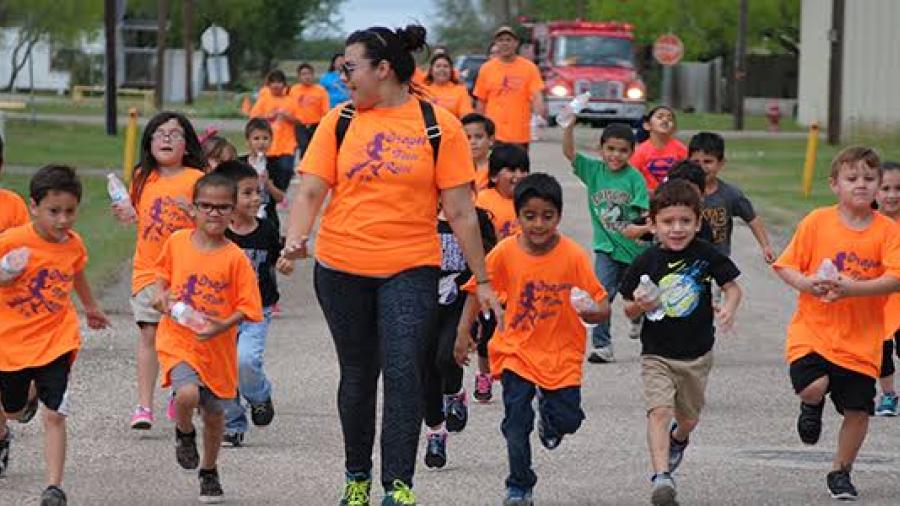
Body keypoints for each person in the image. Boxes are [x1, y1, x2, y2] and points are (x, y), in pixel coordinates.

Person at [281, 24, 500, 506]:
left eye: (349, 68)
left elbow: (461, 211)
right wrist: (295, 238)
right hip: (341, 267)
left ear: (383, 69)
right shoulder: (337, 122)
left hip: (410, 266)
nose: (343, 78)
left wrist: (482, 279)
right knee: (358, 373)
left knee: (404, 371)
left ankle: (397, 485)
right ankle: (356, 477)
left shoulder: (437, 125)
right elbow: (312, 189)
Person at [454, 173, 610, 506]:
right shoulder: (505, 252)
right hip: (517, 350)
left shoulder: (573, 256)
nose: (538, 224)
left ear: (559, 216)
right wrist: (462, 332)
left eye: (547, 216)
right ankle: (519, 485)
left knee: (569, 419)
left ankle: (551, 424)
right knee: (515, 421)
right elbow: (474, 290)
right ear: (518, 215)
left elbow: (602, 304)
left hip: (562, 352)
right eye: (530, 216)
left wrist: (592, 311)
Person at [772, 147, 900, 501]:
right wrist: (806, 284)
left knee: (859, 409)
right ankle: (810, 405)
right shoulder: (816, 221)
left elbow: (896, 277)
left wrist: (852, 289)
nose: (861, 185)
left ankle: (840, 471)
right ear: (834, 185)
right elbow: (786, 266)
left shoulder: (887, 231)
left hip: (861, 338)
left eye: (869, 179)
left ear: (878, 187)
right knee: (813, 385)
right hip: (813, 330)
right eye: (852, 178)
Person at [618, 179, 742, 506]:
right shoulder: (646, 263)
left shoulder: (706, 254)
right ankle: (661, 478)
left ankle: (679, 438)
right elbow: (627, 308)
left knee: (687, 418)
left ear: (697, 222)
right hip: (657, 353)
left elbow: (732, 287)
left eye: (685, 221)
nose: (676, 229)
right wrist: (639, 306)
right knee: (659, 410)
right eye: (668, 222)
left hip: (697, 355)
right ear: (653, 225)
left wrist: (728, 308)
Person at [0, 165, 110, 505]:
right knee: (12, 409)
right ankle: (27, 397)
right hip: (11, 343)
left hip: (57, 340)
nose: (63, 221)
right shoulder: (12, 241)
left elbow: (76, 273)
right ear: (34, 207)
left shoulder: (73, 244)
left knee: (55, 414)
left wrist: (91, 307)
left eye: (70, 212)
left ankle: (54, 487)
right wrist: (4, 275)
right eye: (54, 212)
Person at [152, 172, 263, 503]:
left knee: (215, 416)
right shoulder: (177, 243)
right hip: (178, 338)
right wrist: (161, 297)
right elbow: (162, 277)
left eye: (222, 207)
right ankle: (184, 433)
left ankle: (209, 470)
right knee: (186, 395)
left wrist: (221, 325)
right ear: (194, 209)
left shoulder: (235, 258)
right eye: (206, 206)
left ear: (233, 212)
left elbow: (249, 307)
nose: (214, 213)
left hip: (216, 348)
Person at [111, 112, 205, 430]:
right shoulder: (142, 177)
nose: (166, 138)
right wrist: (126, 212)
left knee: (181, 335)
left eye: (174, 134)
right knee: (148, 332)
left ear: (187, 145)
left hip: (186, 271)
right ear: (149, 142)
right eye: (159, 133)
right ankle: (143, 406)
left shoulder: (196, 178)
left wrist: (193, 212)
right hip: (148, 269)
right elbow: (138, 215)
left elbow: (212, 222)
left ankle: (179, 390)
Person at [213, 161, 293, 446]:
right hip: (220, 313)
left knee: (245, 360)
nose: (256, 198)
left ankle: (259, 396)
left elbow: (276, 257)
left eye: (257, 192)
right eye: (247, 193)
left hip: (257, 310)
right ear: (226, 198)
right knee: (223, 370)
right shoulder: (216, 234)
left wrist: (285, 262)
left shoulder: (267, 229)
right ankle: (233, 423)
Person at [563, 121, 649, 364]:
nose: (615, 155)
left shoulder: (634, 178)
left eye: (622, 151)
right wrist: (568, 127)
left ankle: (638, 318)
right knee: (602, 294)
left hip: (633, 250)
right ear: (601, 149)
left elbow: (643, 213)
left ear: (632, 152)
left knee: (635, 296)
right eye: (610, 149)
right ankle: (602, 345)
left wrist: (643, 231)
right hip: (606, 249)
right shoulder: (594, 171)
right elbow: (569, 153)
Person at [422, 199, 496, 469]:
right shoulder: (421, 217)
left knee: (446, 356)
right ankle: (435, 432)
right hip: (424, 302)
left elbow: (486, 265)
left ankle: (454, 393)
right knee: (426, 371)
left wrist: (473, 319)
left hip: (458, 302)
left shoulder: (474, 219)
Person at [688, 132, 775, 262]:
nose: (702, 167)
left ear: (721, 163)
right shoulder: (681, 192)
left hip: (718, 259)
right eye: (696, 161)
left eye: (708, 161)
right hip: (687, 258)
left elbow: (752, 219)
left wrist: (766, 246)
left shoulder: (730, 194)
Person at [473, 26, 545, 150]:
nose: (505, 43)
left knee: (518, 169)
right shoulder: (486, 69)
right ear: (496, 44)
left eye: (508, 40)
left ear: (516, 43)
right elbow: (481, 101)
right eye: (501, 40)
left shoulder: (529, 68)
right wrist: (479, 129)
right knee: (493, 169)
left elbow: (537, 96)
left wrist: (539, 116)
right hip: (494, 136)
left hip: (519, 135)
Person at [250, 70, 303, 192]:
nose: (276, 85)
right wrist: (268, 116)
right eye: (273, 82)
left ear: (284, 84)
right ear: (269, 85)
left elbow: (299, 121)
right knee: (269, 171)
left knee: (287, 169)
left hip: (287, 144)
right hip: (267, 145)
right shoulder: (264, 100)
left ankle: (281, 191)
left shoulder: (291, 100)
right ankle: (270, 193)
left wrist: (288, 116)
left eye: (279, 82)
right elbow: (253, 118)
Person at [875, 161, 900, 416]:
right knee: (882, 353)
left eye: (898, 188)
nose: (893, 195)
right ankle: (888, 395)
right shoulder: (868, 223)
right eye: (886, 188)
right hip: (878, 302)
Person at [239, 118, 287, 231]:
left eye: (265, 138)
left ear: (271, 141)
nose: (261, 143)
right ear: (248, 141)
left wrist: (268, 185)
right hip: (243, 217)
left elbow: (280, 198)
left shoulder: (275, 164)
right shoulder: (240, 163)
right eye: (256, 139)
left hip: (268, 218)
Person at [476, 143, 529, 240]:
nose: (519, 175)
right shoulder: (481, 202)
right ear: (494, 176)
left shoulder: (532, 200)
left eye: (523, 170)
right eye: (512, 170)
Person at [630, 106, 687, 191]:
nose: (665, 120)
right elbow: (632, 179)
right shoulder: (639, 152)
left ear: (674, 128)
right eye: (660, 117)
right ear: (647, 125)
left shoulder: (681, 150)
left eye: (670, 119)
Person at [290, 63, 331, 158]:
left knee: (315, 149)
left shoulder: (321, 90)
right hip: (300, 125)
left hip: (316, 125)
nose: (306, 77)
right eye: (303, 74)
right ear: (299, 77)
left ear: (313, 75)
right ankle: (303, 169)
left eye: (309, 74)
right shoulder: (293, 90)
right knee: (303, 146)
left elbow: (325, 110)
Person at [422, 53, 473, 119]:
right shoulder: (422, 90)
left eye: (445, 66)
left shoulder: (460, 90)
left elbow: (466, 116)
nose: (442, 69)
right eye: (438, 66)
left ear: (451, 71)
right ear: (431, 70)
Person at [461, 113, 495, 191]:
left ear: (491, 140)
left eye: (478, 137)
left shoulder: (498, 170)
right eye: (467, 137)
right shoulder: (456, 169)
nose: (472, 142)